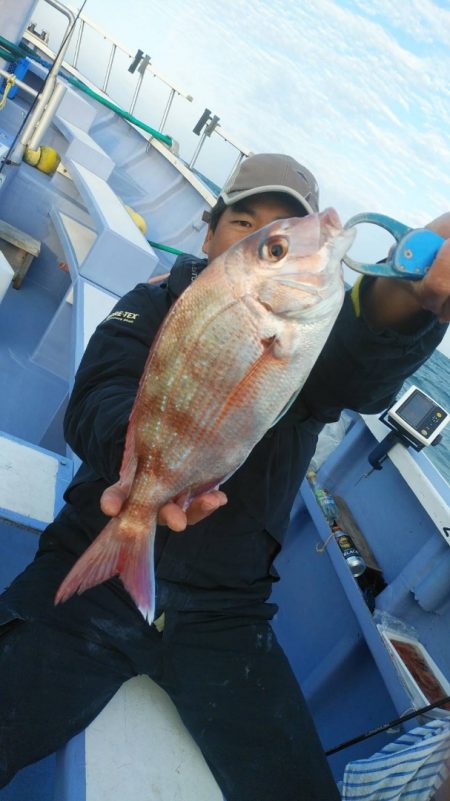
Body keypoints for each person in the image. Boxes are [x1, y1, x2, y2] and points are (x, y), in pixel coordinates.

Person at [0, 153, 449, 801]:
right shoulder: (151, 300)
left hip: (227, 615)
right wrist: (140, 468)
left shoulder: (307, 335)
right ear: (209, 234)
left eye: (285, 228)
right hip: (87, 564)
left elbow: (357, 367)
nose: (257, 240)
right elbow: (97, 397)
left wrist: (408, 300)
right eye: (247, 225)